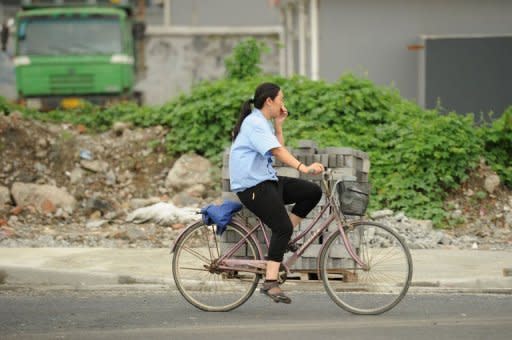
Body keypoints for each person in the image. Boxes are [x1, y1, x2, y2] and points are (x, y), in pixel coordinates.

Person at [229, 82, 324, 304]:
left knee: (312, 192)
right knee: (281, 227)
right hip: (252, 186)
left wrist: (279, 125)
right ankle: (270, 282)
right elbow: (277, 151)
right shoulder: (254, 123)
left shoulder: (264, 123)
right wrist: (303, 168)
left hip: (266, 180)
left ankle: (284, 236)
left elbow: (274, 148)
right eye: (281, 99)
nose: (283, 103)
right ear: (269, 101)